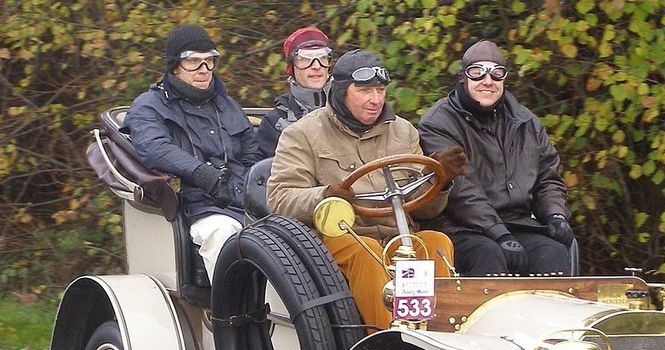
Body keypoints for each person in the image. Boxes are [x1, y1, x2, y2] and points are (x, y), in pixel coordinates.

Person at [267, 49, 468, 330]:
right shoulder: (302, 134)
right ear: (340, 92)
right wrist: (325, 195)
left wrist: (439, 180)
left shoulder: (403, 131)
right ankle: (389, 339)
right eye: (364, 90)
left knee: (436, 243)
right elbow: (279, 198)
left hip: (399, 238)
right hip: (340, 240)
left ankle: (440, 334)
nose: (375, 99)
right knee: (366, 251)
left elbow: (424, 208)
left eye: (380, 90)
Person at [418, 39, 575, 276]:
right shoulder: (438, 123)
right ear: (463, 77)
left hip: (518, 223)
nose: (487, 81)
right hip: (460, 227)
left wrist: (555, 214)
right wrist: (498, 233)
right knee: (488, 254)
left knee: (552, 251)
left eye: (496, 74)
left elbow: (548, 179)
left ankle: (546, 312)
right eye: (477, 73)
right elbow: (461, 192)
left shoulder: (526, 122)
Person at [122, 24, 261, 281]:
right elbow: (155, 148)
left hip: (244, 202)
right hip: (195, 209)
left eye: (210, 61)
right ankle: (231, 316)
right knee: (224, 233)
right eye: (194, 62)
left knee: (296, 228)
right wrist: (200, 172)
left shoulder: (227, 104)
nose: (204, 70)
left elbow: (252, 153)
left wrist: (244, 187)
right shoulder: (148, 106)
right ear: (175, 66)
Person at [256, 27, 333, 159]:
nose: (316, 66)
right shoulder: (274, 122)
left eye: (322, 57)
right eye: (305, 59)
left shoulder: (350, 110)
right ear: (292, 67)